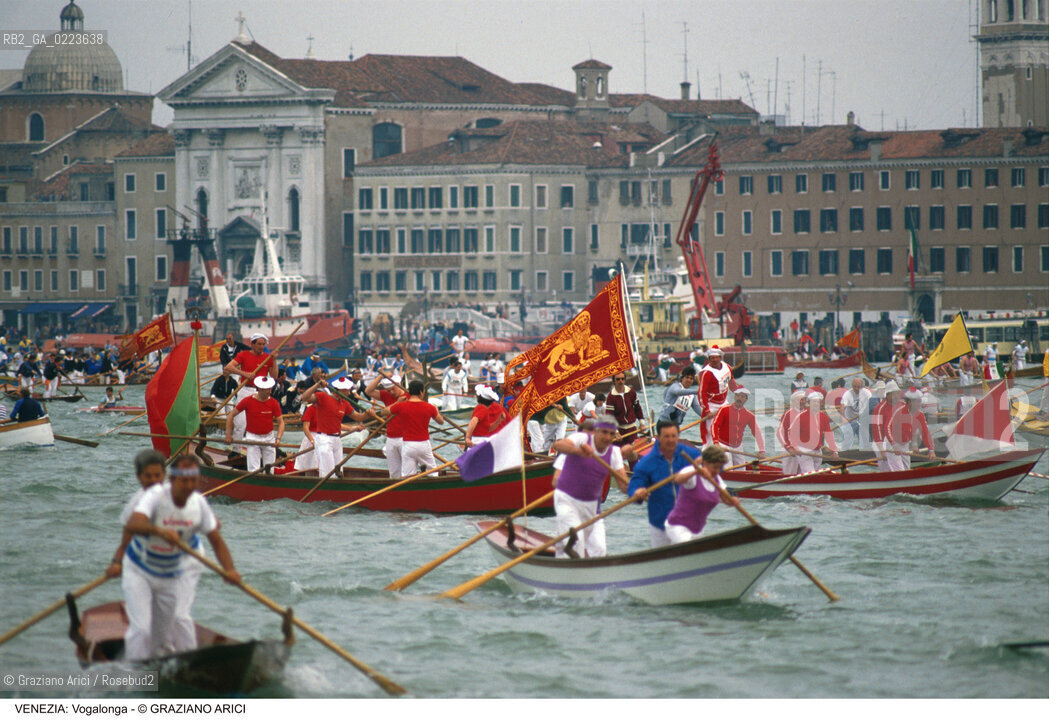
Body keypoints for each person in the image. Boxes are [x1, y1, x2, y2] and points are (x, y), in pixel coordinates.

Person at [121, 454, 240, 661]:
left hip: (172, 571)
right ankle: (135, 673)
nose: (189, 486)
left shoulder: (199, 503)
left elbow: (216, 540)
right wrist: (160, 531)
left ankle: (186, 666)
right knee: (142, 630)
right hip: (140, 568)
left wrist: (230, 570)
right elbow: (133, 524)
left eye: (193, 481)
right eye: (184, 481)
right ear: (172, 480)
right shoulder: (154, 496)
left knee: (172, 625)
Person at [550, 415, 629, 558]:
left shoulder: (614, 453)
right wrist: (579, 452)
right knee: (576, 542)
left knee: (599, 550)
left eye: (611, 434)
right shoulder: (581, 439)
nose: (607, 437)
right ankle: (566, 565)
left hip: (592, 507)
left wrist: (637, 490)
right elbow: (558, 445)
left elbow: (624, 486)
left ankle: (587, 569)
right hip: (567, 501)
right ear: (596, 431)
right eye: (604, 432)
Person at [628, 420, 702, 547]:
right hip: (660, 524)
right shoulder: (647, 463)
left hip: (688, 519)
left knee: (686, 548)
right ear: (658, 437)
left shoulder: (690, 454)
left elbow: (716, 466)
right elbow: (634, 486)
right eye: (666, 436)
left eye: (673, 436)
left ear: (678, 436)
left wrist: (710, 465)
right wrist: (637, 492)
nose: (670, 440)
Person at [663, 444, 740, 544]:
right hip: (678, 526)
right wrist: (696, 472)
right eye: (714, 467)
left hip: (697, 530)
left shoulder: (717, 480)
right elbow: (678, 480)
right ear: (705, 463)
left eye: (719, 468)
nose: (717, 471)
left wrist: (733, 501)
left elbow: (726, 499)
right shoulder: (692, 471)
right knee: (688, 547)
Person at [299, 376, 367, 478]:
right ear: (341, 390)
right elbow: (304, 397)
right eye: (348, 390)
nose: (349, 393)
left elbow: (358, 417)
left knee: (339, 471)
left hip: (337, 439)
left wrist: (369, 414)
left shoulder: (345, 403)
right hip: (324, 439)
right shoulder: (323, 397)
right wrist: (317, 385)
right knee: (328, 472)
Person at [223, 333, 276, 451]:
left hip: (261, 392)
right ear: (252, 344)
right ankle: (236, 451)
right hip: (245, 390)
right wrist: (244, 374)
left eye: (263, 344)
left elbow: (274, 376)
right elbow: (228, 367)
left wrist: (274, 360)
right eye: (259, 344)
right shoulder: (243, 355)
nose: (261, 347)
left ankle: (261, 449)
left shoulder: (268, 358)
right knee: (241, 424)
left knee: (261, 423)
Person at [224, 376, 285, 472]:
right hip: (253, 438)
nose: (269, 391)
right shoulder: (247, 401)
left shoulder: (274, 403)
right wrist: (228, 434)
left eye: (270, 389)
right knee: (253, 470)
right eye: (267, 389)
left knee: (270, 469)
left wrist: (278, 438)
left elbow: (281, 422)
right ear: (259, 389)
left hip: (269, 438)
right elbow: (231, 415)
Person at [389, 379, 444, 477]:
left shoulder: (400, 406)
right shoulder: (430, 407)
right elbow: (441, 422)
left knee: (407, 476)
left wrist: (397, 402)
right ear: (421, 392)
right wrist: (436, 410)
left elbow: (385, 412)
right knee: (432, 473)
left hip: (408, 445)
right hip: (424, 445)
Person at [711, 386, 765, 467]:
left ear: (746, 399)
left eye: (742, 396)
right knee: (728, 468)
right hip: (723, 445)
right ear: (735, 396)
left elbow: (757, 432)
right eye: (738, 395)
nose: (739, 398)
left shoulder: (749, 415)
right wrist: (716, 443)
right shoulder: (724, 410)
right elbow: (714, 425)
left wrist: (761, 451)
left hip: (738, 447)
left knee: (742, 469)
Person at [367, 372, 407, 478]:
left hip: (406, 438)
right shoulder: (386, 395)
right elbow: (368, 391)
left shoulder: (408, 396)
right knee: (393, 472)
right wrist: (380, 376)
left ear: (398, 385)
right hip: (391, 437)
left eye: (393, 389)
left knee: (407, 471)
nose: (391, 392)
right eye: (388, 390)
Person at [788, 391, 839, 474]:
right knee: (811, 474)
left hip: (817, 451)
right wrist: (794, 448)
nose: (816, 404)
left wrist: (834, 451)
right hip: (804, 451)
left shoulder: (824, 417)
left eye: (818, 402)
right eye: (814, 402)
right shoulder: (801, 416)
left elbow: (829, 435)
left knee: (816, 474)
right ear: (809, 403)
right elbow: (791, 433)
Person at [885, 386, 935, 471]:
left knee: (906, 469)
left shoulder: (920, 415)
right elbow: (887, 427)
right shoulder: (898, 410)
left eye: (920, 401)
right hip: (892, 443)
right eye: (918, 401)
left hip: (905, 444)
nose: (920, 404)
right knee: (900, 471)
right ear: (909, 402)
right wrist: (894, 445)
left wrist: (931, 450)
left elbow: (925, 432)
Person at [697, 346, 739, 444]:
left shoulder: (727, 367)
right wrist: (707, 410)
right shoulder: (706, 373)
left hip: (724, 402)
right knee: (710, 430)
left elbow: (731, 382)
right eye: (712, 358)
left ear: (720, 357)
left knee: (728, 426)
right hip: (711, 404)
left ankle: (726, 446)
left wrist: (739, 393)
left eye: (716, 357)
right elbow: (701, 392)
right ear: (709, 359)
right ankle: (708, 449)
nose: (715, 360)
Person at [871, 380, 902, 471]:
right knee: (887, 470)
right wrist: (882, 450)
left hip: (894, 441)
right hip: (881, 442)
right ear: (888, 395)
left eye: (898, 393)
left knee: (899, 468)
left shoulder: (900, 405)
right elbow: (876, 430)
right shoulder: (878, 409)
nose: (897, 396)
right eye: (894, 394)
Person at [606, 372, 645, 443]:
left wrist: (642, 423)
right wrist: (616, 432)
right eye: (618, 379)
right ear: (614, 381)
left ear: (625, 380)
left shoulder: (631, 392)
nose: (620, 381)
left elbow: (637, 408)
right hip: (619, 430)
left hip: (632, 429)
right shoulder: (611, 396)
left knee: (633, 448)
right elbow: (609, 416)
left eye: (622, 379)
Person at [776, 390, 807, 477]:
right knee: (789, 474)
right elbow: (780, 432)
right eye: (799, 400)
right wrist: (789, 448)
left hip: (804, 450)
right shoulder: (788, 414)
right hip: (790, 450)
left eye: (803, 399)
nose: (802, 402)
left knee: (806, 474)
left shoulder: (808, 413)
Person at [840, 377, 873, 450]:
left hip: (862, 420)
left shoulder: (867, 393)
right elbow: (842, 407)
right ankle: (844, 452)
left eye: (858, 387)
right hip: (850, 420)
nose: (856, 389)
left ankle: (864, 452)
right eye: (854, 386)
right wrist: (843, 418)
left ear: (862, 386)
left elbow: (871, 405)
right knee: (846, 442)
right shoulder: (848, 394)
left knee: (864, 442)